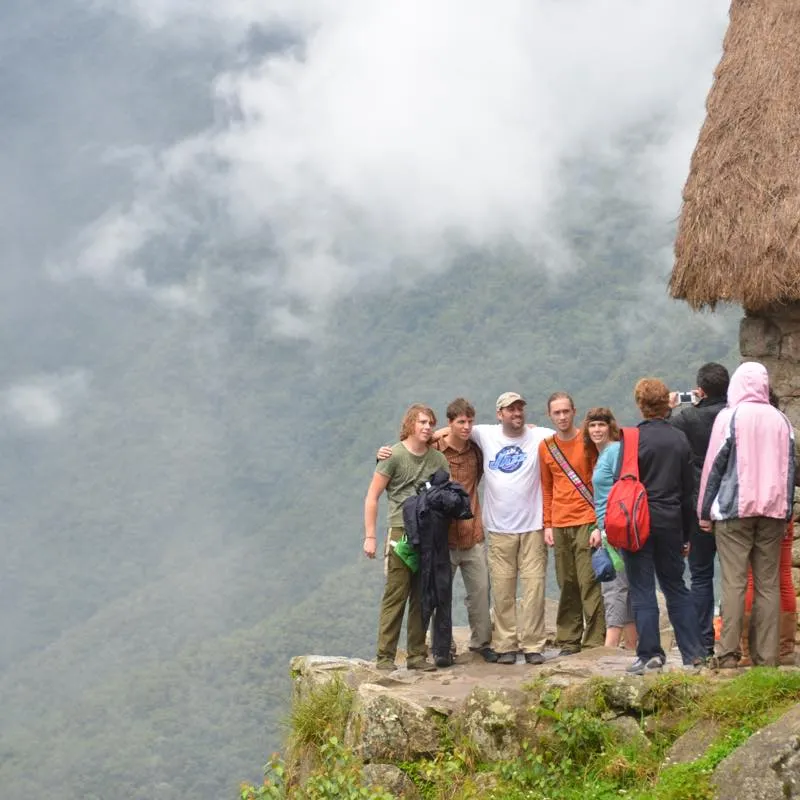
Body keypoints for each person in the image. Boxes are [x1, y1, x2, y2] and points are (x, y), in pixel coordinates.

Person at [377, 398, 496, 662]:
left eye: (469, 421)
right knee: (420, 595)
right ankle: (425, 652)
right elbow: (406, 452)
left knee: (460, 593)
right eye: (459, 422)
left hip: (460, 534)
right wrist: (381, 454)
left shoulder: (469, 452)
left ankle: (464, 647)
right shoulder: (421, 452)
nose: (466, 426)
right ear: (450, 423)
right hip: (423, 535)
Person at [698, 362, 795, 668]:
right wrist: (786, 509)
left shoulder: (730, 417)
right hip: (773, 512)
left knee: (734, 583)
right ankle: (767, 658)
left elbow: (714, 467)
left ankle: (727, 654)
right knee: (769, 584)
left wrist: (704, 510)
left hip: (733, 511)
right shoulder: (782, 421)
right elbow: (790, 470)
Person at [467, 392, 555, 665]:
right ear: (499, 414)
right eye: (510, 409)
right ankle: (505, 644)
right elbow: (452, 429)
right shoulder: (485, 434)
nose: (516, 413)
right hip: (499, 528)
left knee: (534, 588)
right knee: (503, 589)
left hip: (533, 527)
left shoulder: (539, 436)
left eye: (520, 409)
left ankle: (533, 645)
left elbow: (572, 435)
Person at [623, 378, 703, 674]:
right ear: (666, 403)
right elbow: (687, 491)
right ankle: (693, 654)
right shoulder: (679, 439)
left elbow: (624, 486)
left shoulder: (631, 438)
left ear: (640, 405)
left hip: (638, 522)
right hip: (670, 521)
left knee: (642, 589)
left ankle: (650, 655)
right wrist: (686, 533)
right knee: (675, 586)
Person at [364, 404, 449, 671]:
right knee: (396, 594)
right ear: (410, 423)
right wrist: (370, 536)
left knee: (421, 596)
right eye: (422, 422)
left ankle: (416, 655)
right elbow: (372, 497)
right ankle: (385, 657)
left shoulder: (438, 460)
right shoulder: (393, 455)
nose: (426, 427)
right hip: (400, 532)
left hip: (429, 534)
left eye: (430, 423)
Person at [668, 362, 730, 657]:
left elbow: (664, 435)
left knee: (701, 575)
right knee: (736, 575)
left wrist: (670, 408)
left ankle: (704, 643)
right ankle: (734, 641)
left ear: (701, 390)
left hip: (697, 505)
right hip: (732, 505)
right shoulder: (734, 416)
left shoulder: (687, 418)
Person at [539, 392, 605, 655]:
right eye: (557, 412)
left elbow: (599, 483)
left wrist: (600, 523)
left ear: (574, 411)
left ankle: (594, 640)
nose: (562, 417)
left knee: (589, 581)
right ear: (550, 415)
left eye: (566, 411)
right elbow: (547, 487)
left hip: (587, 520)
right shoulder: (546, 447)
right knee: (566, 582)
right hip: (560, 521)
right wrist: (547, 524)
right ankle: (568, 638)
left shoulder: (587, 441)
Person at [584, 408, 637, 651]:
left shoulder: (614, 451)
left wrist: (607, 527)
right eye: (592, 425)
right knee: (623, 586)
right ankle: (633, 645)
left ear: (610, 427)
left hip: (617, 529)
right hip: (608, 528)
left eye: (601, 425)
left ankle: (610, 647)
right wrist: (598, 525)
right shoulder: (604, 453)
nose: (596, 430)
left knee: (613, 587)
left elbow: (623, 489)